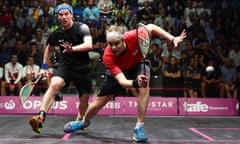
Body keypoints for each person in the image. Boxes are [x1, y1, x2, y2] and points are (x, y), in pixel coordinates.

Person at [63, 24, 187, 142]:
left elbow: (152, 27)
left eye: (117, 43)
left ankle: (139, 127)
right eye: (110, 44)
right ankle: (83, 122)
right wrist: (134, 83)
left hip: (138, 63)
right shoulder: (108, 56)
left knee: (145, 87)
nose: (113, 47)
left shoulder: (133, 36)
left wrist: (172, 38)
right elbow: (122, 81)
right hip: (120, 71)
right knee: (98, 103)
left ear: (123, 40)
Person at [28, 3, 93, 134]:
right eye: (61, 15)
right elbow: (49, 49)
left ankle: (80, 119)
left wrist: (73, 49)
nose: (64, 17)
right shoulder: (56, 34)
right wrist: (44, 67)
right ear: (57, 17)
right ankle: (40, 118)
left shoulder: (82, 28)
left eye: (66, 14)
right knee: (54, 84)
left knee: (84, 97)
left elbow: (89, 44)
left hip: (82, 68)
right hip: (67, 66)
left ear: (72, 15)